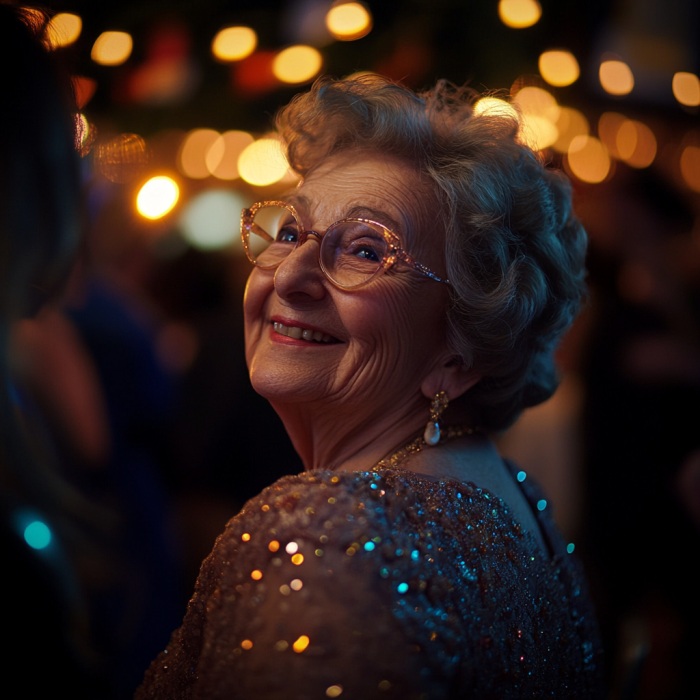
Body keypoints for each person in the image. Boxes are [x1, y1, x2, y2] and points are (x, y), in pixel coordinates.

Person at [137, 75, 604, 698]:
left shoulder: (325, 536)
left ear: (461, 350)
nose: (292, 275)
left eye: (363, 250)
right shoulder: (517, 497)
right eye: (288, 234)